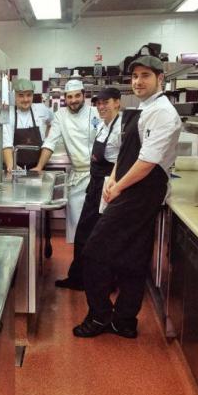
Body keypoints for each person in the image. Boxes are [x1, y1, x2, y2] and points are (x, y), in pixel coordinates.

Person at [73, 56, 181, 339]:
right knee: (134, 257)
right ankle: (124, 321)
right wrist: (113, 178)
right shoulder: (144, 109)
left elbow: (146, 162)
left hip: (143, 191)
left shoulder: (164, 114)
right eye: (135, 76)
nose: (138, 81)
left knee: (94, 252)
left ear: (160, 79)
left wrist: (118, 187)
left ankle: (99, 317)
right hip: (129, 187)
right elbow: (125, 153)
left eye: (145, 75)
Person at [55, 87, 122, 290]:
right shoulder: (104, 125)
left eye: (106, 102)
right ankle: (78, 277)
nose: (101, 106)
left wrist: (113, 183)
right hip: (95, 185)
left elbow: (124, 159)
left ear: (117, 102)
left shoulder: (120, 127)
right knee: (84, 232)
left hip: (106, 187)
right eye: (99, 103)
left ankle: (104, 283)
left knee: (100, 237)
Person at [31, 79, 100, 248]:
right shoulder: (60, 116)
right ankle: (78, 272)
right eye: (70, 97)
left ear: (84, 96)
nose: (74, 100)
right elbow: (50, 142)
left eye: (77, 96)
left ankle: (94, 272)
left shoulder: (96, 113)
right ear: (65, 98)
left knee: (96, 227)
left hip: (98, 176)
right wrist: (39, 167)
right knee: (77, 224)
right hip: (77, 176)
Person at [2, 78, 53, 170]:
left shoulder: (41, 109)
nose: (25, 99)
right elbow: (6, 143)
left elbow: (52, 123)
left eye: (29, 95)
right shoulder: (8, 113)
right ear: (15, 96)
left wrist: (47, 139)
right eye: (21, 95)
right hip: (16, 167)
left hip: (38, 166)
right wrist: (11, 165)